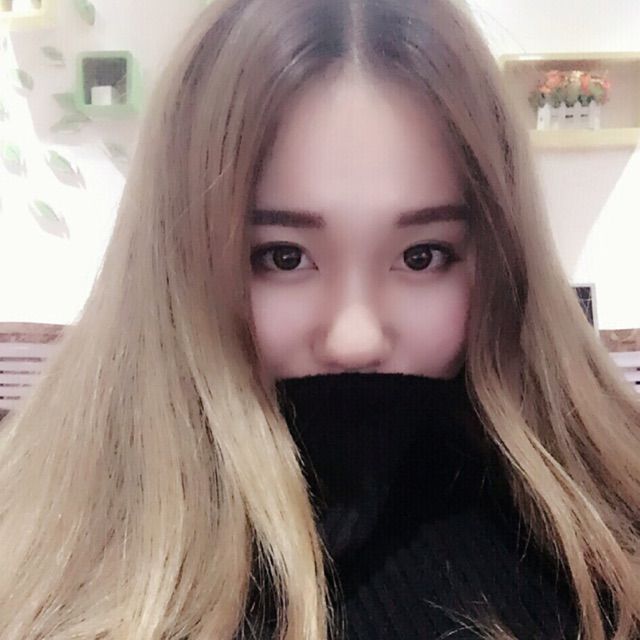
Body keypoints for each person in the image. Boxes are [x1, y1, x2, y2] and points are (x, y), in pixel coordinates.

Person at [0, 0, 639, 638]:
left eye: (422, 256)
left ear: (502, 261)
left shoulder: (603, 560)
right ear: (175, 267)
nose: (355, 339)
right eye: (283, 257)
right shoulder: (49, 552)